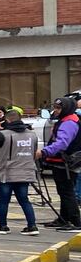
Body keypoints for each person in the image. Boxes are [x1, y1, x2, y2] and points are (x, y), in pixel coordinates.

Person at [0, 110, 40, 235]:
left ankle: (3, 226)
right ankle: (32, 226)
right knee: (24, 200)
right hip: (25, 172)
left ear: (6, 120)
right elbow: (34, 153)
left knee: (3, 200)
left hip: (6, 173)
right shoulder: (32, 135)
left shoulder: (3, 135)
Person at [38, 96, 81, 230]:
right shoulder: (67, 120)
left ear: (66, 108)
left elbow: (62, 143)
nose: (55, 110)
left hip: (66, 163)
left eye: (58, 108)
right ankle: (64, 218)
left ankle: (75, 221)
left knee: (67, 191)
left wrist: (44, 152)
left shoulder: (69, 122)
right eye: (55, 107)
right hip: (63, 162)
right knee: (63, 191)